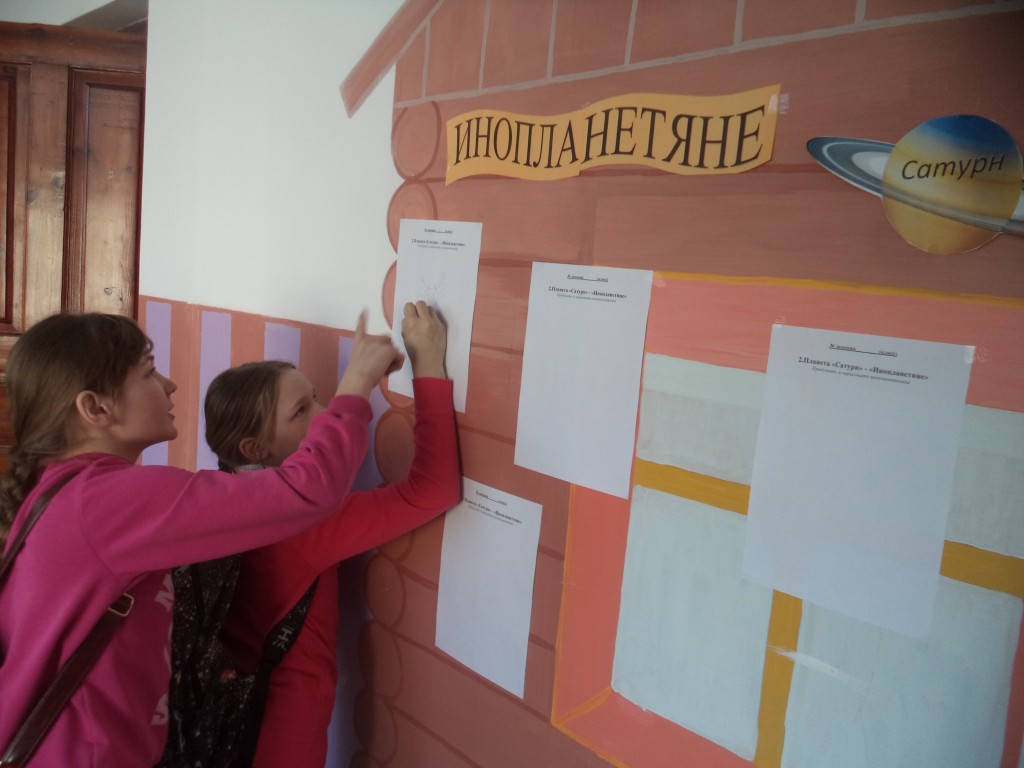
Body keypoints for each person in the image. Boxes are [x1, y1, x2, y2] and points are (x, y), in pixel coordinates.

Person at [0, 310, 402, 768]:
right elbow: (307, 489)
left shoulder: (62, 489)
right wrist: (356, 382)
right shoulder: (107, 501)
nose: (169, 385)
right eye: (149, 373)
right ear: (96, 409)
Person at [198, 300, 459, 768]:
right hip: (281, 744)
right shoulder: (299, 522)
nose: (323, 415)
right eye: (302, 411)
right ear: (255, 449)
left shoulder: (222, 497)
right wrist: (429, 366)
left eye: (317, 397)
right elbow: (433, 490)